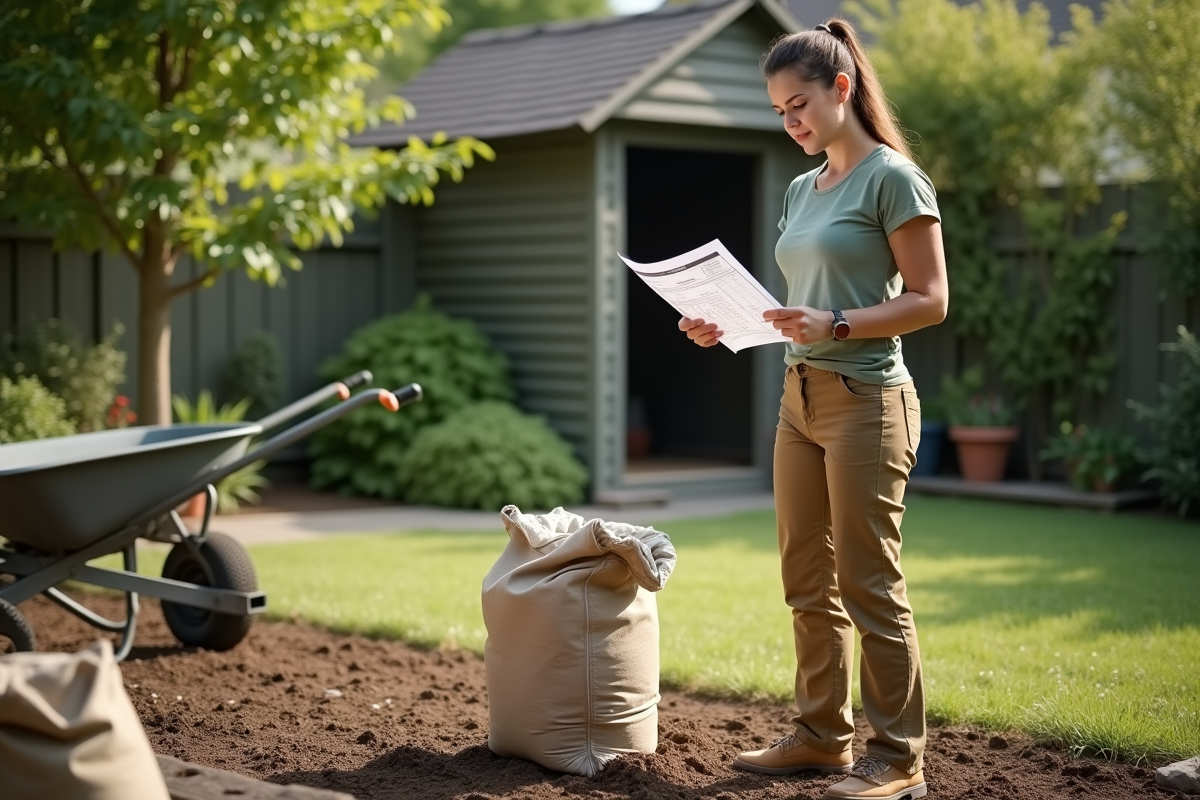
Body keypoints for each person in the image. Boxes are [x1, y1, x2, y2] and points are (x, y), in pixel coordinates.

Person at [678, 18, 947, 800]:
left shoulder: (894, 178)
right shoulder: (802, 188)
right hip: (798, 398)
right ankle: (822, 737)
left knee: (869, 583)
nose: (791, 122)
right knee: (805, 579)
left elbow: (930, 301)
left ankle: (899, 759)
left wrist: (833, 324)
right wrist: (716, 324)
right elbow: (797, 304)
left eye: (800, 105)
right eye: (779, 112)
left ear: (842, 87)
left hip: (868, 399)